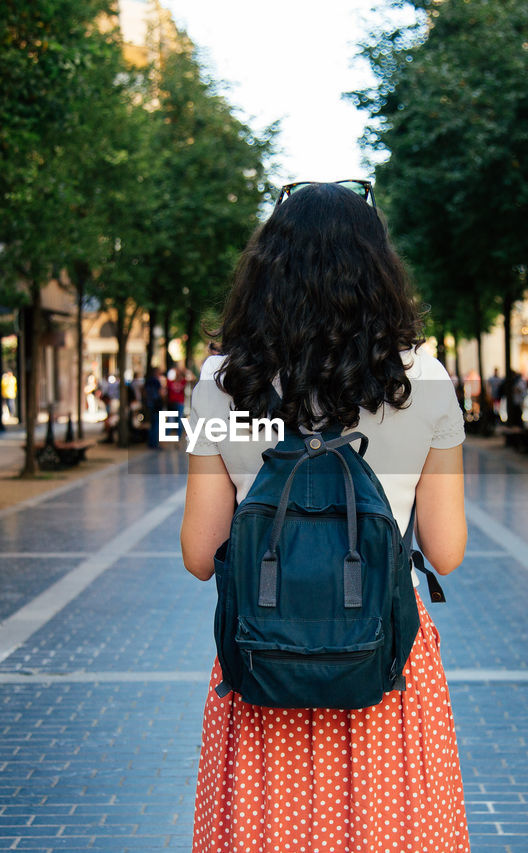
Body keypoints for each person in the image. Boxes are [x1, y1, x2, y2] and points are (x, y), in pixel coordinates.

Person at [181, 181, 469, 850]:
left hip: (265, 667)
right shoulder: (422, 379)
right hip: (382, 666)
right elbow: (446, 550)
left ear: (265, 273)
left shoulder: (222, 383)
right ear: (379, 270)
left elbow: (201, 554)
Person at [142, 366, 163, 449]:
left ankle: (151, 442)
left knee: (152, 423)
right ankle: (154, 443)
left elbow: (144, 391)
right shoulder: (156, 381)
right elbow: (160, 392)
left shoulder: (148, 381)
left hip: (149, 404)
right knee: (156, 424)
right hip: (156, 404)